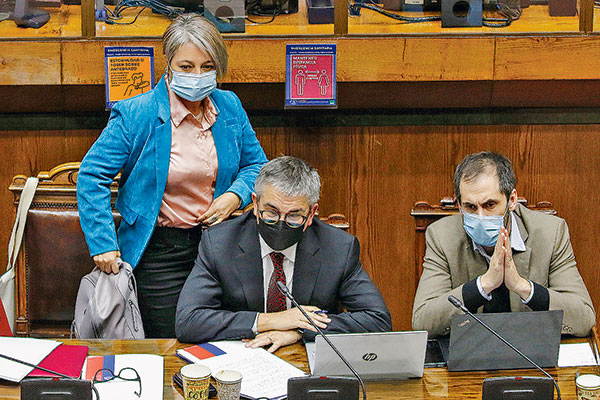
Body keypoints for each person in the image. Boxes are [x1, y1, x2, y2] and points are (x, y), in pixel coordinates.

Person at [76, 14, 267, 338]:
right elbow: (92, 176)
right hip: (161, 252)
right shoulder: (137, 113)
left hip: (219, 247)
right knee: (172, 342)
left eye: (208, 67)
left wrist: (234, 195)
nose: (198, 75)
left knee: (226, 338)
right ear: (169, 63)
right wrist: (103, 243)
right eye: (187, 66)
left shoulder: (229, 106)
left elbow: (257, 166)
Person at [176, 156, 392, 351]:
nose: (280, 223)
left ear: (311, 214)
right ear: (254, 203)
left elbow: (378, 320)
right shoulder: (221, 243)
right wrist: (272, 321)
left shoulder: (337, 248)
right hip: (242, 357)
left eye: (293, 216)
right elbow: (188, 321)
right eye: (270, 212)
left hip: (306, 362)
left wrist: (299, 331)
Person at [412, 151, 595, 338]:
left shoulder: (551, 233)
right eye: (470, 207)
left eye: (490, 204)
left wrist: (522, 286)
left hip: (532, 350)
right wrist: (484, 285)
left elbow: (584, 318)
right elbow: (423, 322)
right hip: (470, 351)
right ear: (459, 205)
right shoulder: (441, 237)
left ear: (512, 200)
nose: (480, 217)